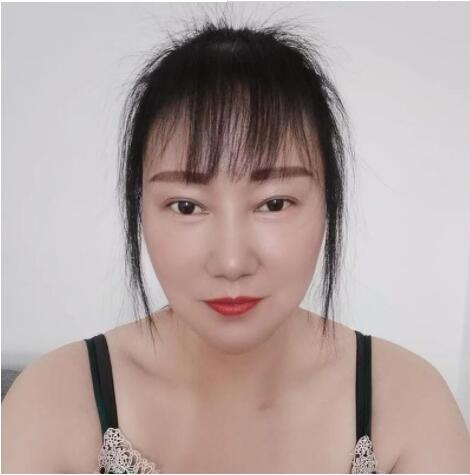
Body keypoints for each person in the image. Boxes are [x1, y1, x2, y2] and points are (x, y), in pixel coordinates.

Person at [2, 15, 470, 474]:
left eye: (274, 204)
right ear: (140, 208)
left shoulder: (407, 406)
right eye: (187, 206)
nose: (231, 261)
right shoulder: (55, 402)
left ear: (327, 203)